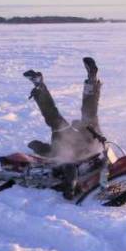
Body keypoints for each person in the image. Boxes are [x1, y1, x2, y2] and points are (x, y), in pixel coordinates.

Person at [23, 57, 103, 199]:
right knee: (87, 115)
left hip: (82, 142)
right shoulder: (59, 154)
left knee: (70, 117)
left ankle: (40, 86)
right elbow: (46, 151)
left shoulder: (57, 154)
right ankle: (91, 80)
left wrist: (37, 146)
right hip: (89, 142)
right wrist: (36, 146)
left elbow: (46, 152)